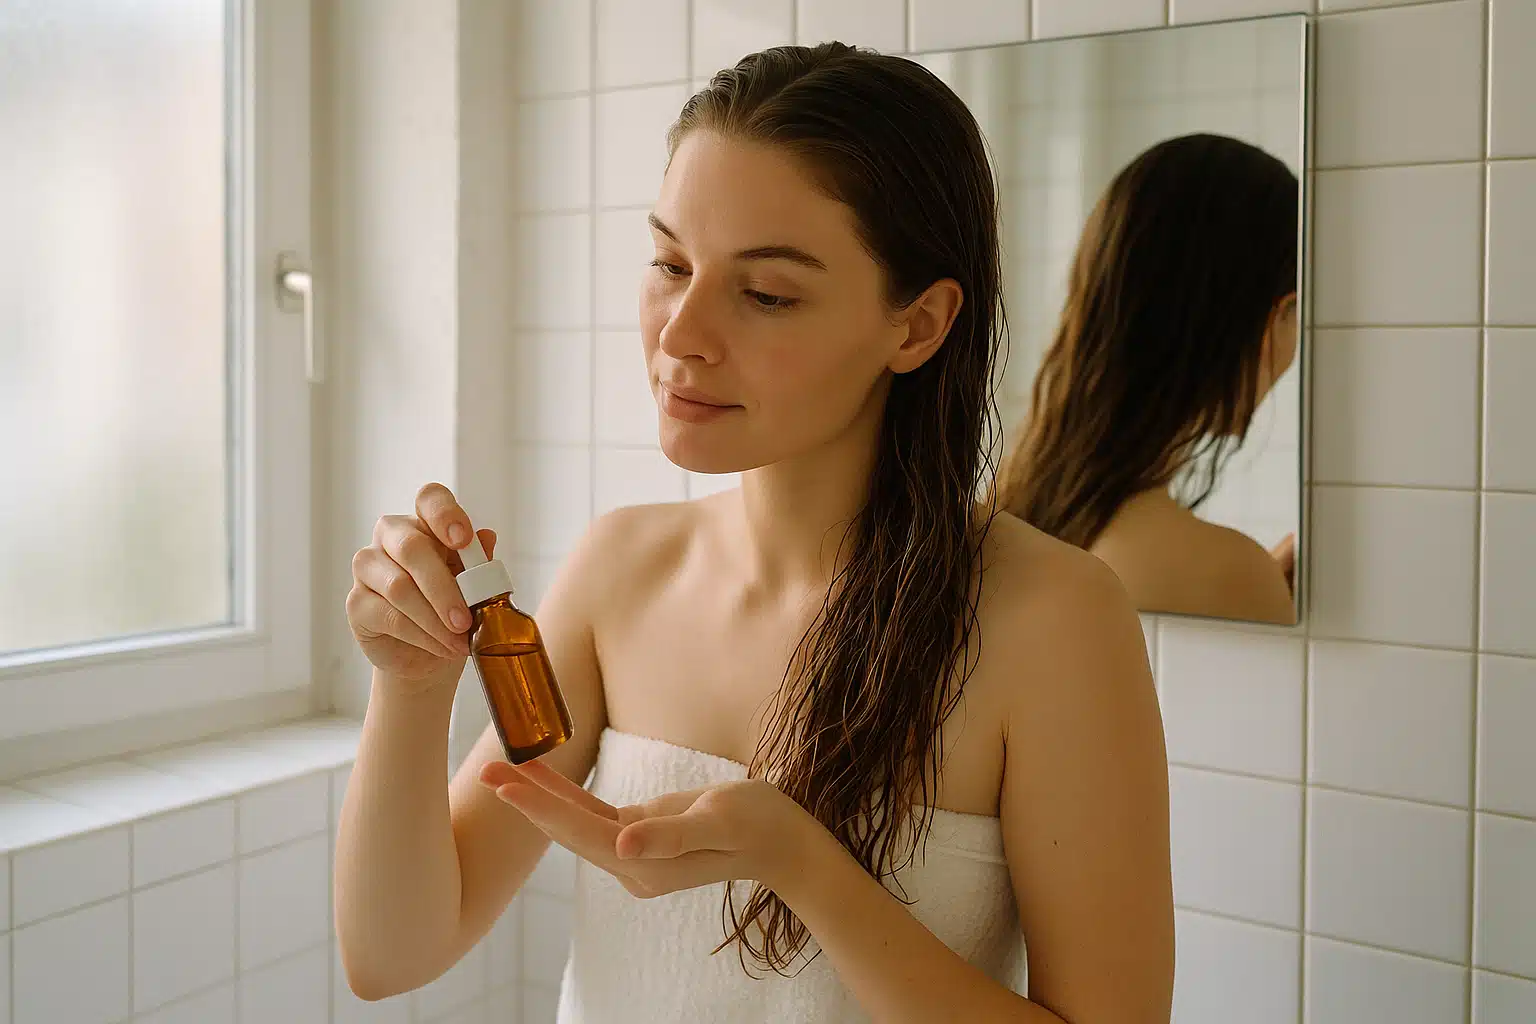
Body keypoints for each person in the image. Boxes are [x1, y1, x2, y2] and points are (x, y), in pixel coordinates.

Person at [335, 43, 1173, 1024]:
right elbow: (391, 952)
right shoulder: (620, 572)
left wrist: (807, 867)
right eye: (670, 263)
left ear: (918, 327)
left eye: (766, 292)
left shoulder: (1052, 619)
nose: (680, 332)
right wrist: (411, 686)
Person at [998, 133, 1300, 626]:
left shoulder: (996, 518)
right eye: (1294, 314)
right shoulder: (1227, 575)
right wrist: (1257, 588)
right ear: (1271, 317)